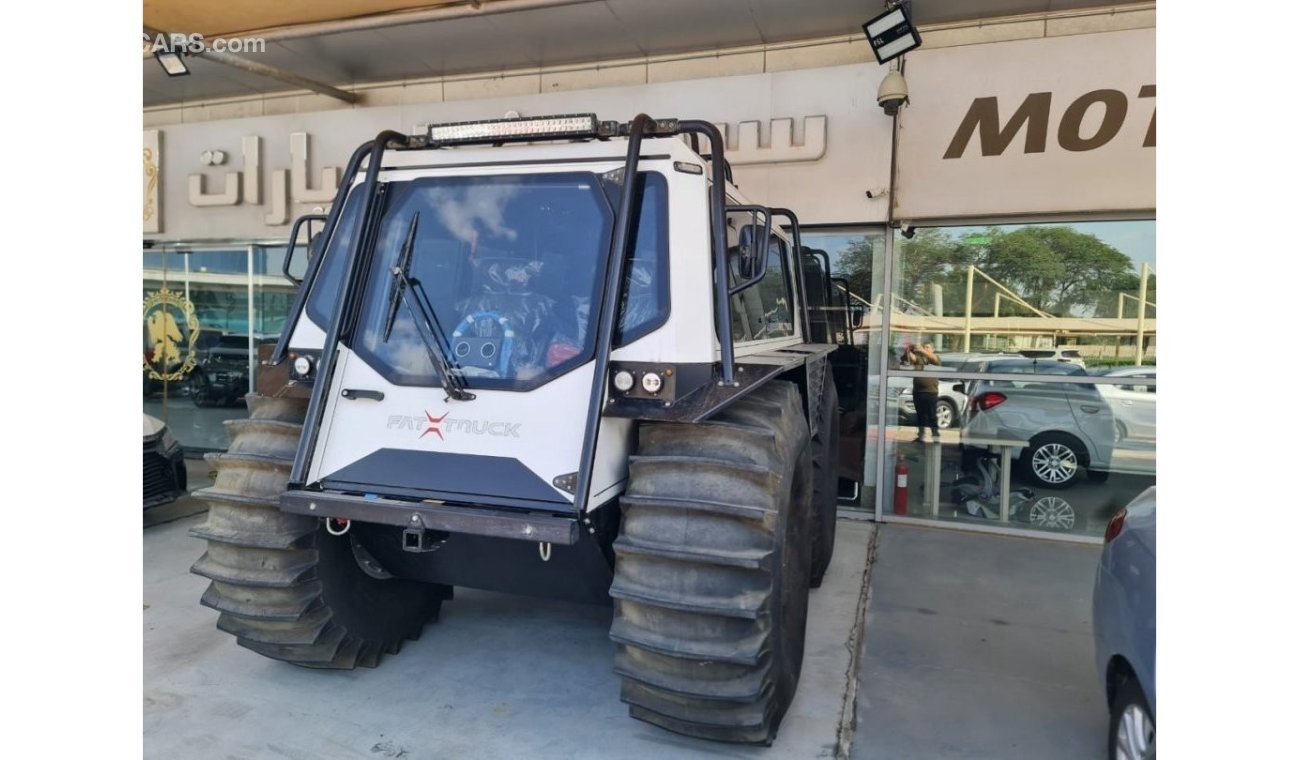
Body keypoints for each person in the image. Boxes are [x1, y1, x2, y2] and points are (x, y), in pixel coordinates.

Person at [903, 341, 941, 442]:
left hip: (931, 392)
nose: (925, 349)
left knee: (932, 416)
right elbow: (912, 358)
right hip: (918, 391)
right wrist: (908, 349)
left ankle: (935, 436)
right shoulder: (919, 358)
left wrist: (921, 350)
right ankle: (921, 436)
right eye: (924, 347)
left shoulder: (935, 359)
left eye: (928, 347)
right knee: (920, 415)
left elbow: (934, 359)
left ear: (933, 349)